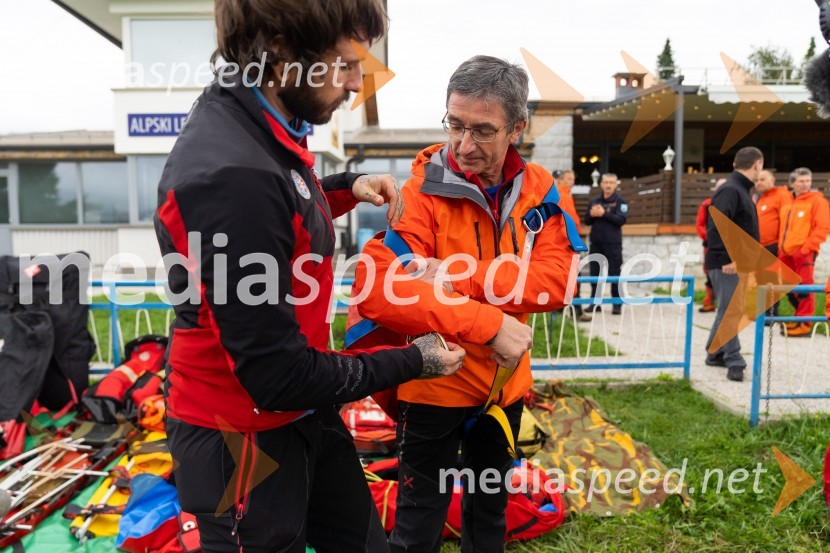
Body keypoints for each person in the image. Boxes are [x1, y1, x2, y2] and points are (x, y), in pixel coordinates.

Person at [153, 2, 465, 551]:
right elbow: (277, 376)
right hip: (241, 437)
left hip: (301, 411)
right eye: (344, 63)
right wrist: (415, 361)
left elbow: (286, 207)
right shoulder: (232, 177)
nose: (355, 82)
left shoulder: (257, 121)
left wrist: (346, 187)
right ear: (279, 50)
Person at [353, 56, 576, 553]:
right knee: (417, 527)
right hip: (432, 386)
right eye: (454, 124)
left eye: (483, 130)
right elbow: (380, 288)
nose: (463, 144)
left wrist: (455, 275)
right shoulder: (419, 192)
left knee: (489, 518)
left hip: (504, 388)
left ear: (518, 128)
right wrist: (491, 324)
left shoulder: (543, 189)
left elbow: (557, 284)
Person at [704, 147, 763, 382]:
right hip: (727, 263)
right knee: (732, 312)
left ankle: (715, 352)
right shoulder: (731, 189)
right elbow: (716, 223)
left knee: (727, 310)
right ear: (757, 164)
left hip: (735, 262)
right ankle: (734, 360)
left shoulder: (740, 189)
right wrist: (727, 258)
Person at [778, 167, 830, 336]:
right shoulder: (787, 200)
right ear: (792, 183)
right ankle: (797, 318)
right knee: (788, 285)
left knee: (805, 287)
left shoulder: (817, 201)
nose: (805, 184)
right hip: (785, 252)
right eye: (801, 181)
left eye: (808, 180)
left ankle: (805, 323)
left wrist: (805, 249)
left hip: (804, 252)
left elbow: (823, 227)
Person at [584, 173, 628, 314]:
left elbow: (621, 220)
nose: (608, 185)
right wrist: (592, 214)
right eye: (606, 182)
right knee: (595, 275)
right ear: (602, 184)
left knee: (615, 274)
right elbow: (586, 221)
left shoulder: (620, 201)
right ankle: (595, 304)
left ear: (616, 185)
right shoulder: (595, 201)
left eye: (611, 182)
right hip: (596, 243)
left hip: (613, 244)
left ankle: (616, 304)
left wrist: (604, 214)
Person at [754, 169, 792, 320]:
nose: (758, 183)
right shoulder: (759, 198)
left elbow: (787, 221)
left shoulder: (782, 196)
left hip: (773, 245)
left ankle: (771, 314)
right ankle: (763, 312)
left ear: (772, 180)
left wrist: (782, 245)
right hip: (759, 247)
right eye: (756, 180)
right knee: (761, 281)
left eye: (762, 179)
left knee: (771, 280)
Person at [554, 169, 590, 320]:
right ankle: (576, 311)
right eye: (568, 179)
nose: (571, 181)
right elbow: (569, 221)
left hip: (566, 242)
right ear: (560, 180)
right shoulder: (563, 195)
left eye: (573, 179)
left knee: (567, 276)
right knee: (575, 276)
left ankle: (561, 310)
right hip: (569, 243)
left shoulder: (564, 194)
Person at [696, 178, 727, 313]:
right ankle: (709, 302)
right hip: (711, 246)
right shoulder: (707, 205)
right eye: (719, 187)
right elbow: (700, 225)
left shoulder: (734, 203)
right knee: (709, 273)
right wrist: (711, 238)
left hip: (730, 245)